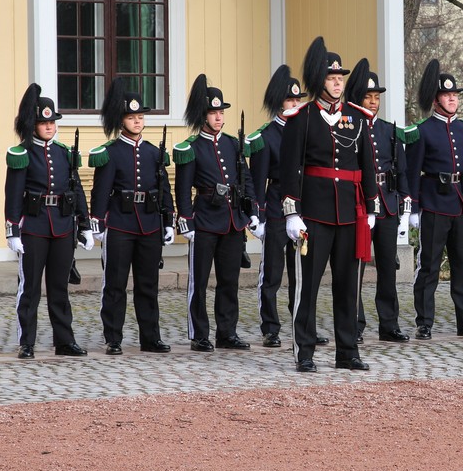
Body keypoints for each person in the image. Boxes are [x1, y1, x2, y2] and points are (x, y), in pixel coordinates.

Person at [280, 37, 380, 373]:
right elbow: (289, 169)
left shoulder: (357, 117)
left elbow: (368, 166)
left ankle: (347, 352)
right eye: (331, 78)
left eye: (340, 79)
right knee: (307, 286)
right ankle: (304, 352)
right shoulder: (302, 117)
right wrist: (292, 213)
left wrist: (372, 208)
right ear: (320, 80)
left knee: (348, 287)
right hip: (314, 216)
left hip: (350, 214)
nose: (337, 84)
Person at [404, 59, 463, 340]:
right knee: (429, 265)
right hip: (434, 204)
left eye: (455, 94)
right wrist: (415, 209)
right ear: (436, 99)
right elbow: (412, 172)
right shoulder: (423, 131)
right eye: (447, 94)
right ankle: (425, 322)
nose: (453, 98)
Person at [245, 65, 333, 348]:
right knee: (272, 273)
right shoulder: (266, 137)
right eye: (290, 100)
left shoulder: (307, 130)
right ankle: (270, 327)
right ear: (278, 103)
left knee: (304, 275)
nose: (295, 104)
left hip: (304, 209)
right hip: (274, 209)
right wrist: (256, 215)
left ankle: (304, 325)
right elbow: (258, 180)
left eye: (298, 99)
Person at [4, 83, 94, 359]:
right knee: (29, 289)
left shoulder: (65, 153)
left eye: (52, 122)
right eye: (43, 122)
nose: (49, 127)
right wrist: (13, 230)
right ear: (33, 125)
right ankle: (27, 342)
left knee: (60, 288)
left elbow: (76, 189)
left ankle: (64, 341)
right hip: (33, 227)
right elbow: (13, 193)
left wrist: (86, 225)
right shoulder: (22, 153)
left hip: (63, 226)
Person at [173, 74, 262, 352]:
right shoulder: (191, 148)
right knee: (198, 282)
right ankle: (199, 334)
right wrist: (185, 219)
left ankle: (227, 332)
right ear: (204, 116)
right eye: (213, 113)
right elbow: (183, 187)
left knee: (229, 281)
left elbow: (245, 178)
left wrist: (252, 211)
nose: (219, 118)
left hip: (233, 221)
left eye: (221, 113)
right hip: (205, 220)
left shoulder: (233, 145)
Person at [88, 79, 176, 355]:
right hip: (120, 224)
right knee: (115, 284)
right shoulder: (110, 153)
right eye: (131, 117)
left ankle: (150, 337)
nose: (137, 122)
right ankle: (113, 337)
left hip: (149, 223)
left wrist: (169, 220)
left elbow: (164, 189)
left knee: (148, 284)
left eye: (140, 117)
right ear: (121, 120)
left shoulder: (153, 152)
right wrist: (97, 222)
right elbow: (100, 191)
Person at [344, 60, 411, 343]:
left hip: (387, 205)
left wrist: (406, 206)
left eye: (376, 98)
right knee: (355, 266)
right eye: (368, 97)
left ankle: (389, 324)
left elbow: (402, 169)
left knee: (387, 266)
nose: (373, 103)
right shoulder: (349, 127)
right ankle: (354, 324)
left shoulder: (389, 130)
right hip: (359, 205)